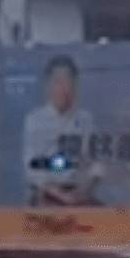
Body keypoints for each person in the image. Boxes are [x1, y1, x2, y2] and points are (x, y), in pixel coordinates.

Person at [22, 55, 99, 205]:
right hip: (45, 195)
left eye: (69, 81)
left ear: (76, 86)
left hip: (79, 195)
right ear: (48, 86)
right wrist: (59, 194)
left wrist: (85, 188)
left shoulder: (86, 120)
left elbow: (96, 163)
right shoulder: (35, 120)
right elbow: (32, 168)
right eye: (58, 82)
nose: (64, 88)